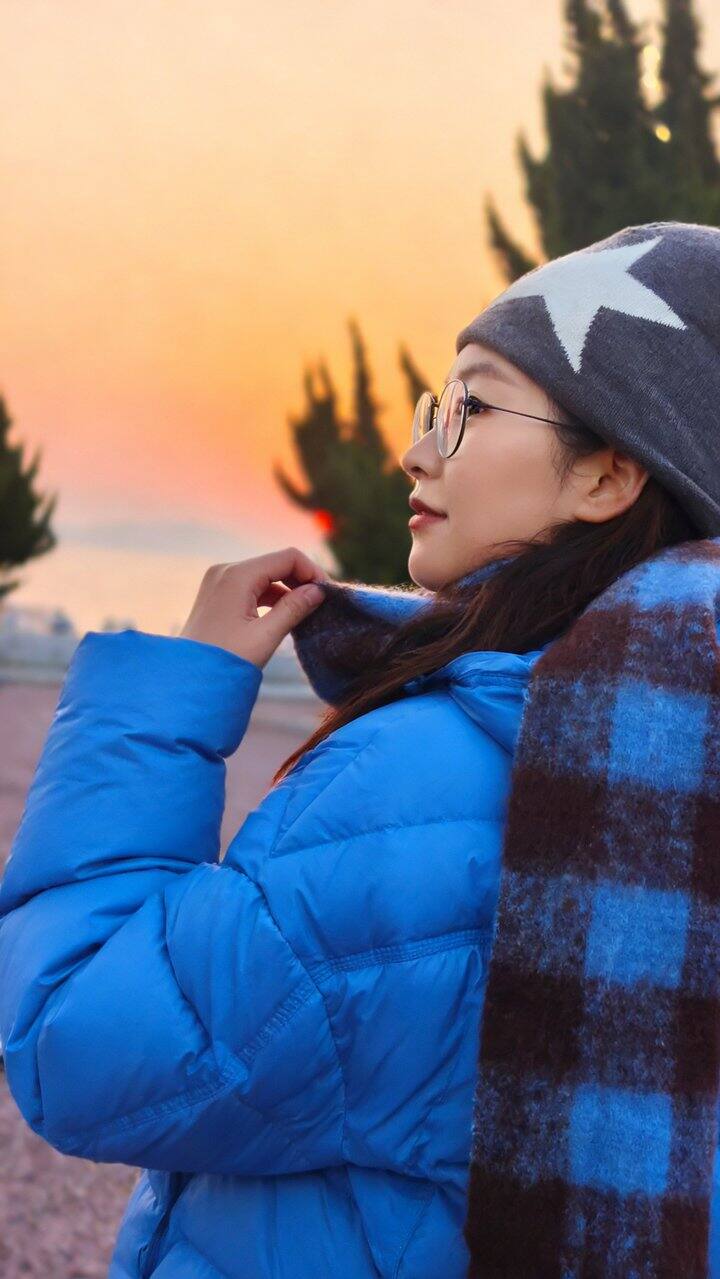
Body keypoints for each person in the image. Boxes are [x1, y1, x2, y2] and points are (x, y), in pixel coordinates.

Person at [1, 219, 720, 1278]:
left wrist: (165, 700)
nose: (418, 450)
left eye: (473, 407)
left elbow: (75, 1043)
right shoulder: (677, 772)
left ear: (610, 477)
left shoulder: (430, 777)